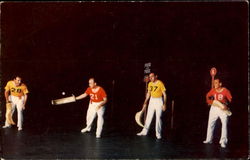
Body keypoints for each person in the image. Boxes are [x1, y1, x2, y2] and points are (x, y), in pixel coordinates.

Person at [203, 78, 232, 148]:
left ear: (220, 84)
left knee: (224, 124)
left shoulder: (225, 90)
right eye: (214, 83)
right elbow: (207, 96)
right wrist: (210, 102)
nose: (214, 84)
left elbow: (231, 99)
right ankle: (209, 139)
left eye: (216, 83)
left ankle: (223, 141)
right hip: (214, 108)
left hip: (222, 109)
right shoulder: (213, 90)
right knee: (210, 123)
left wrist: (226, 105)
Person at [137, 72, 167, 139]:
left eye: (152, 76)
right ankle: (144, 131)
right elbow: (148, 94)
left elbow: (164, 94)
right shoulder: (150, 84)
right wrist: (145, 102)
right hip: (152, 100)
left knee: (158, 117)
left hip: (159, 101)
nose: (150, 78)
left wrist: (164, 104)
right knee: (148, 116)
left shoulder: (160, 83)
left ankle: (158, 134)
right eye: (150, 77)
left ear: (156, 76)